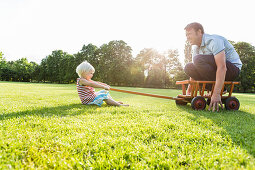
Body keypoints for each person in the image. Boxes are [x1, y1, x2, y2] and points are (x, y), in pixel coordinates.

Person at [184, 22, 242, 112]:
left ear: (199, 32)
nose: (187, 37)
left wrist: (216, 93)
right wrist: (189, 91)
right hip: (216, 70)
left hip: (232, 69)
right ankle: (213, 87)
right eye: (186, 35)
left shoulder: (214, 41)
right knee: (188, 67)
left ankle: (220, 89)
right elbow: (195, 68)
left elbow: (222, 67)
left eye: (189, 34)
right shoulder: (195, 47)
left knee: (197, 59)